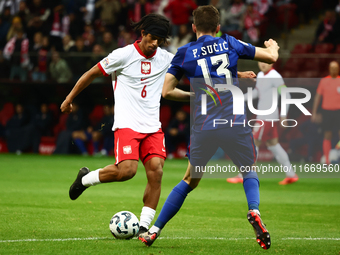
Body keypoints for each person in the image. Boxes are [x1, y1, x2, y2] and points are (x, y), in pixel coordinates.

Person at [139, 5, 279, 250]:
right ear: (218, 28)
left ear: (193, 27)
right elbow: (271, 58)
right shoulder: (230, 43)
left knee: (189, 180)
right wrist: (274, 47)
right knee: (248, 170)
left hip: (204, 126)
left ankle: (153, 230)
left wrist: (197, 93)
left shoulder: (184, 53)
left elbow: (167, 91)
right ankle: (254, 210)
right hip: (234, 122)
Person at [60, 13, 173, 238]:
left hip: (152, 125)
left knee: (157, 172)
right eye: (151, 38)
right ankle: (85, 179)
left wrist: (235, 75)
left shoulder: (166, 58)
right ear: (142, 33)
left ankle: (143, 227)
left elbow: (197, 69)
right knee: (127, 171)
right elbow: (92, 73)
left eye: (159, 40)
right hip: (128, 124)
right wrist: (69, 97)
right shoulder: (123, 55)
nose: (155, 44)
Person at [227, 61, 298, 185]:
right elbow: (257, 92)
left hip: (267, 116)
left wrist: (283, 115)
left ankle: (243, 175)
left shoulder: (275, 76)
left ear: (272, 64)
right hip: (264, 115)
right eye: (261, 61)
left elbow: (286, 94)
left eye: (266, 62)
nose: (263, 64)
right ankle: (291, 175)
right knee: (273, 145)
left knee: (253, 143)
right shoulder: (260, 75)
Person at [312, 61, 340, 165]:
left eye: (335, 68)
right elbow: (317, 97)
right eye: (332, 68)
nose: (333, 70)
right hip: (327, 112)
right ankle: (327, 161)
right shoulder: (324, 81)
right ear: (329, 69)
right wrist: (314, 113)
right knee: (327, 135)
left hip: (339, 111)